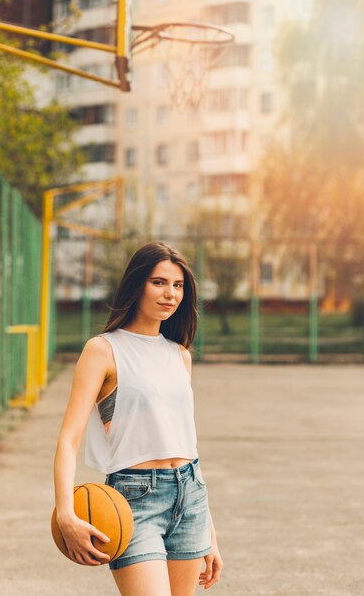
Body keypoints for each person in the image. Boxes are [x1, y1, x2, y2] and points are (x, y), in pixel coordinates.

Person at [53, 241, 223, 596]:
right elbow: (69, 439)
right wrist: (66, 513)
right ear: (136, 284)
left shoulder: (180, 355)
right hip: (133, 498)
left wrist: (210, 532)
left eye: (178, 286)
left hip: (190, 495)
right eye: (159, 282)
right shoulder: (103, 350)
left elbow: (185, 441)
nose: (170, 294)